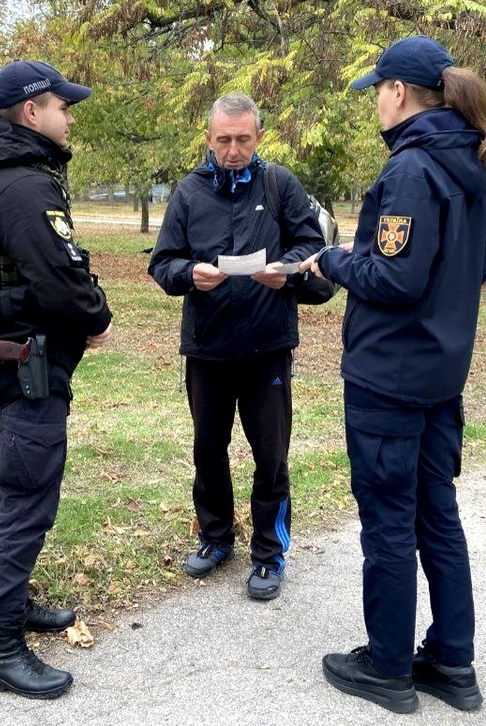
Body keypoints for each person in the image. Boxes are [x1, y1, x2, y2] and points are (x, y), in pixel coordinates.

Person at [301, 36, 486, 713]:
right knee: (437, 517)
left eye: (377, 91)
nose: (375, 103)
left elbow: (394, 276)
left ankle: (389, 666)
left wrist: (333, 262)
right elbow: (469, 273)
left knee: (390, 521)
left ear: (397, 91)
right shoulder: (473, 168)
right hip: (439, 376)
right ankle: (452, 661)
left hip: (389, 378)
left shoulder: (413, 171)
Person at [0, 59, 113, 699]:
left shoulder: (2, 174)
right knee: (27, 494)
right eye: (61, 107)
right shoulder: (21, 185)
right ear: (31, 112)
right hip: (25, 364)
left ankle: (14, 606)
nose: (68, 117)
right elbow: (60, 275)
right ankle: (3, 650)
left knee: (16, 487)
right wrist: (96, 316)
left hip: (17, 355)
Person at [148, 92, 326, 601]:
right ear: (209, 139)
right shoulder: (189, 191)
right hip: (207, 349)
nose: (232, 149)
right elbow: (162, 263)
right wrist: (188, 274)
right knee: (209, 450)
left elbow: (312, 248)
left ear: (258, 137)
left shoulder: (280, 184)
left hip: (267, 347)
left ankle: (269, 555)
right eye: (223, 140)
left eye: (242, 139)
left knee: (270, 456)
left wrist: (286, 273)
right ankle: (215, 537)